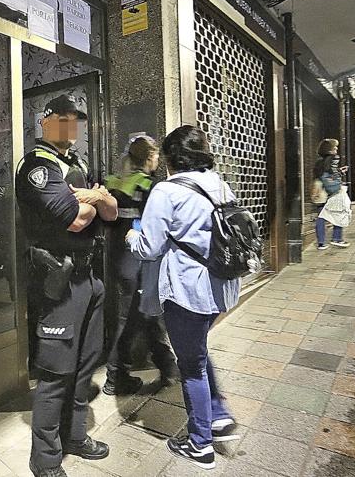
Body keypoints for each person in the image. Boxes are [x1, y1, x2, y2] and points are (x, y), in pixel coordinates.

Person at [126, 126, 241, 470]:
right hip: (221, 287)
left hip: (187, 292)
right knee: (198, 352)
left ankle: (200, 444)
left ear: (171, 157)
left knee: (191, 365)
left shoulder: (166, 190)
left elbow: (150, 247)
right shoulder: (219, 184)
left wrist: (132, 235)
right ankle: (217, 415)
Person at [16, 95, 118, 477]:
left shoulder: (77, 163)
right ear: (45, 121)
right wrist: (96, 198)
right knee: (56, 371)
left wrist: (96, 198)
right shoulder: (37, 166)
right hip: (57, 281)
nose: (70, 127)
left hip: (89, 279)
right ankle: (45, 459)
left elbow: (110, 213)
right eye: (63, 119)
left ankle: (75, 436)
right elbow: (73, 219)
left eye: (75, 120)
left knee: (85, 366)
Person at [102, 135, 178, 396]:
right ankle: (117, 375)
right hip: (139, 260)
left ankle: (164, 366)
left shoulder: (114, 183)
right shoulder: (149, 186)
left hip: (118, 259)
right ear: (148, 158)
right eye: (156, 156)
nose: (158, 161)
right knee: (139, 315)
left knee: (139, 315)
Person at [313, 138, 350, 250]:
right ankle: (337, 239)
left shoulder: (319, 161)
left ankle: (321, 243)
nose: (336, 149)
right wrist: (339, 178)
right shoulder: (332, 159)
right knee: (339, 212)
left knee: (321, 217)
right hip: (330, 192)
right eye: (335, 147)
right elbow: (330, 176)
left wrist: (338, 171)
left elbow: (325, 174)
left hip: (319, 191)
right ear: (329, 150)